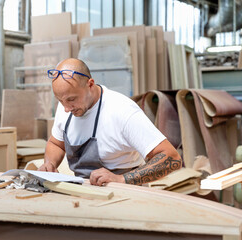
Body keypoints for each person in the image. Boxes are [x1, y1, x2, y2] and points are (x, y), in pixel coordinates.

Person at [38, 58, 182, 186]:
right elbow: (56, 143)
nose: (66, 108)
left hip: (124, 191)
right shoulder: (66, 105)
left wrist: (121, 179)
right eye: (60, 100)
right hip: (84, 189)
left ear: (90, 84)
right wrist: (50, 163)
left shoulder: (122, 111)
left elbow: (172, 158)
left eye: (71, 99)